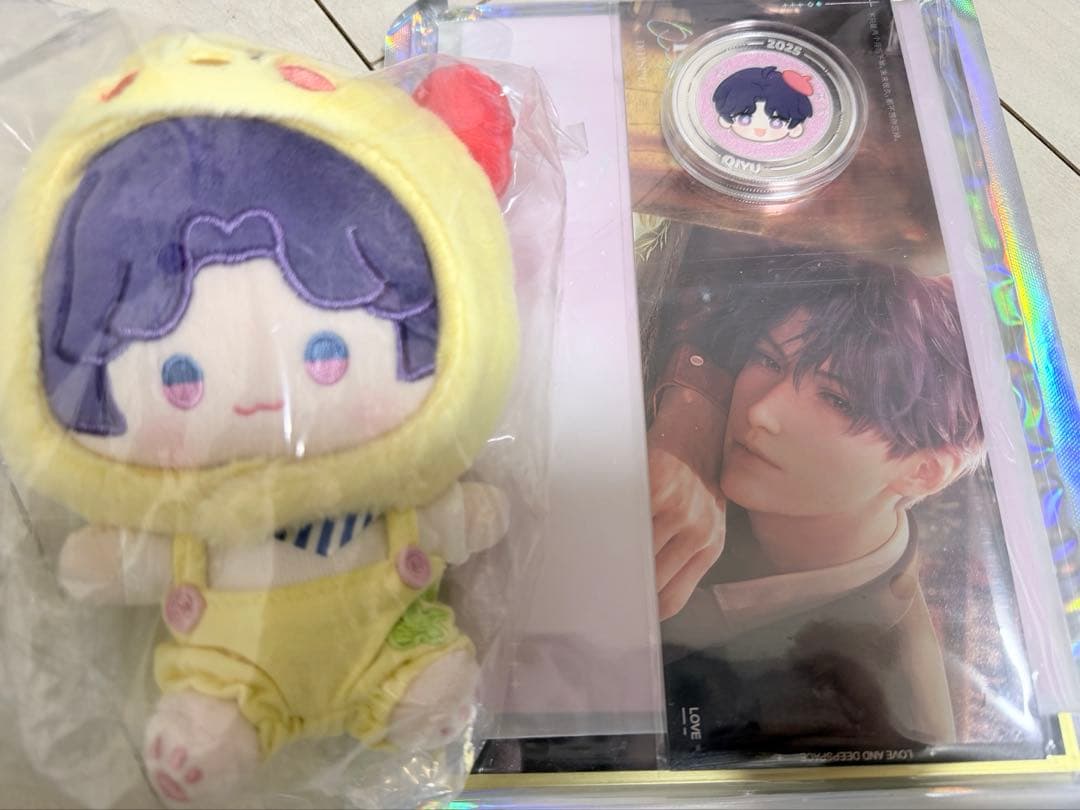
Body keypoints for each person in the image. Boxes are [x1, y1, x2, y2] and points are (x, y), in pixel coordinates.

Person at [649, 258, 985, 749]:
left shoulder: (881, 721)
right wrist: (689, 414)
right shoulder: (762, 470)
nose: (761, 412)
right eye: (768, 360)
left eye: (838, 400)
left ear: (924, 471)